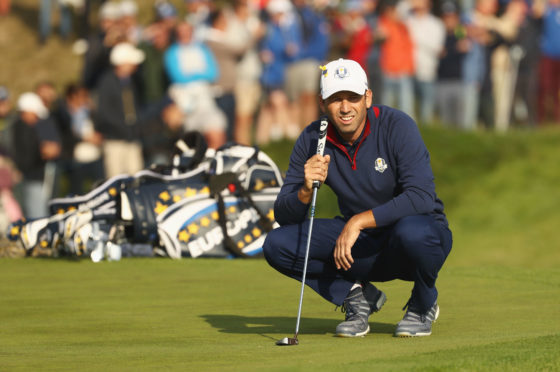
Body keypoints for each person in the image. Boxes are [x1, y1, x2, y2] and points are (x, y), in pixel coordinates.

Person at [263, 58, 452, 338]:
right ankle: (357, 298)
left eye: (352, 97)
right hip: (359, 248)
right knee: (277, 244)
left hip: (413, 239)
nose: (345, 107)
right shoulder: (314, 137)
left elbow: (422, 197)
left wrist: (358, 222)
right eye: (335, 99)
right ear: (322, 102)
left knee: (413, 232)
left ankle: (423, 304)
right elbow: (284, 215)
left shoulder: (397, 126)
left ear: (367, 97)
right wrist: (304, 190)